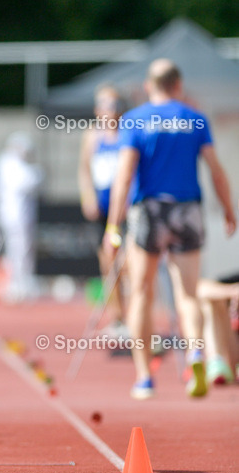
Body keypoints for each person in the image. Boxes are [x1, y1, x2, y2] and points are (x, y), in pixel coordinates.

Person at [104, 58, 235, 399]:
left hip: (150, 210)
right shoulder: (195, 118)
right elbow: (216, 170)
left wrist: (112, 226)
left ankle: (144, 376)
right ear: (178, 85)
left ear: (148, 86)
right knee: (188, 293)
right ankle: (196, 355)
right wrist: (228, 210)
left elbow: (124, 176)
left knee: (142, 292)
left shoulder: (134, 119)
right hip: (188, 209)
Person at [78, 84, 127, 331]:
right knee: (108, 263)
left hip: (124, 210)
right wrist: (88, 197)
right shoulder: (92, 134)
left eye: (113, 104)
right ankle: (117, 316)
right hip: (103, 209)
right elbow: (84, 169)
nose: (108, 110)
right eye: (103, 104)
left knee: (128, 264)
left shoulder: (127, 132)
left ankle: (133, 315)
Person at [0, 132, 43, 302]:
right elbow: (28, 182)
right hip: (14, 215)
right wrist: (38, 173)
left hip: (22, 214)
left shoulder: (14, 164)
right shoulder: (9, 163)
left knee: (24, 249)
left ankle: (24, 281)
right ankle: (16, 284)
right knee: (17, 250)